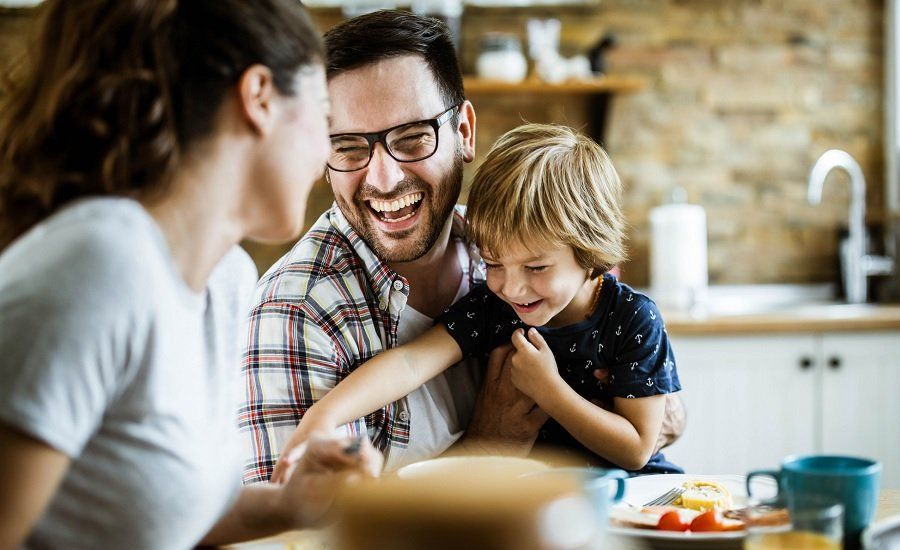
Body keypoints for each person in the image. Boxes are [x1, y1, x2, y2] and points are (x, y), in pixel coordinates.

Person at [242, 10, 685, 484]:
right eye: (348, 146)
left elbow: (648, 431)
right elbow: (308, 532)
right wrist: (492, 447)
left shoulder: (505, 243)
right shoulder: (297, 312)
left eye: (412, 138)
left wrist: (637, 403)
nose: (384, 178)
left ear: (465, 133)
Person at [0, 1, 381, 548]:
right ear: (259, 98)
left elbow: (162, 514)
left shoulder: (225, 281)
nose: (325, 151)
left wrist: (289, 504)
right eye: (324, 118)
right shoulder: (101, 264)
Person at [279, 123, 684, 473]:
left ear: (591, 252)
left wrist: (549, 390)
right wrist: (325, 415)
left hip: (629, 498)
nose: (512, 287)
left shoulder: (632, 317)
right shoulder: (495, 308)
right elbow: (410, 362)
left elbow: (636, 449)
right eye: (493, 263)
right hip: (537, 502)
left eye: (536, 268)